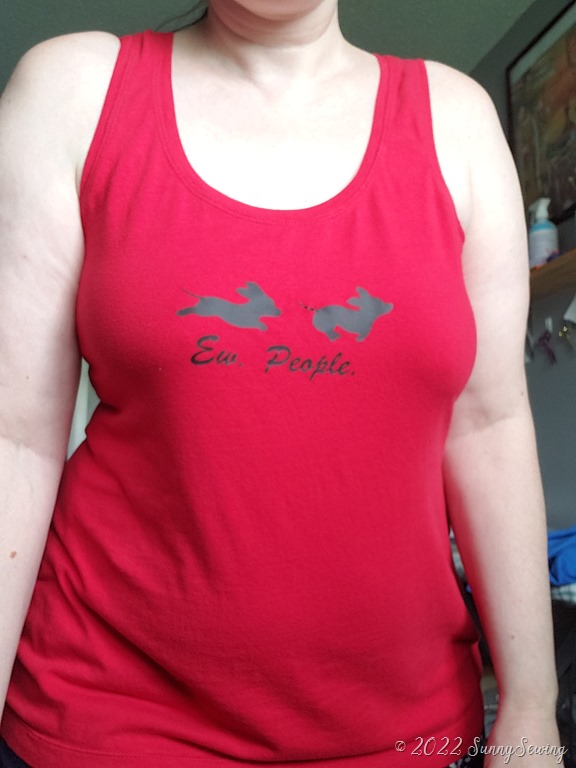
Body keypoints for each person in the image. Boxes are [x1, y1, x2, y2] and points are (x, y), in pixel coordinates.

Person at [0, 1, 562, 766]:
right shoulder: (72, 90)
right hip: (106, 718)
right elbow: (15, 440)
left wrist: (531, 706)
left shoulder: (457, 119)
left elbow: (491, 423)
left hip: (408, 732)